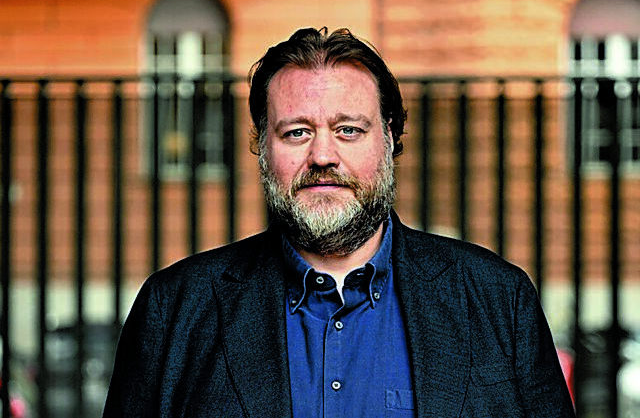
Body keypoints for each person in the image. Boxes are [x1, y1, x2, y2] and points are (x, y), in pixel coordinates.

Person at [103, 27, 575, 417]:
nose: (323, 156)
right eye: (297, 132)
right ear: (262, 147)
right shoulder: (175, 308)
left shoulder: (498, 298)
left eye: (348, 130)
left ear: (389, 138)